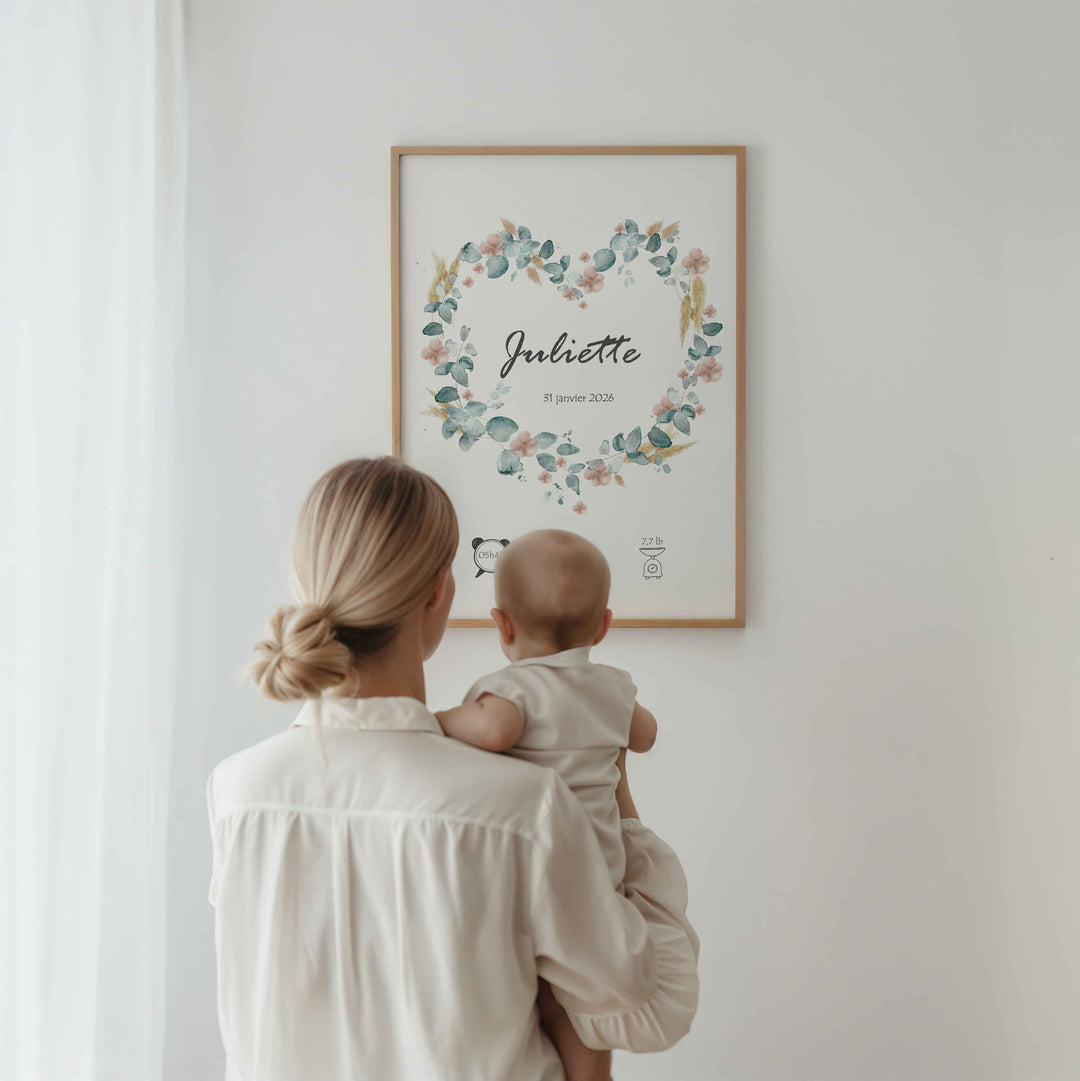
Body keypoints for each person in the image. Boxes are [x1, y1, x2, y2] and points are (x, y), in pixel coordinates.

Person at [207, 457, 699, 1081]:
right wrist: (621, 803)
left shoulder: (237, 791)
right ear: (439, 590)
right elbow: (648, 1005)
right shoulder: (524, 805)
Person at [435, 528, 661, 1081]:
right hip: (600, 886)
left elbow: (495, 730)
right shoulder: (613, 687)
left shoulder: (510, 689)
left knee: (524, 995)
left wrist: (431, 720)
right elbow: (646, 735)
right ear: (602, 626)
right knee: (582, 1013)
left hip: (531, 884)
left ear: (503, 624)